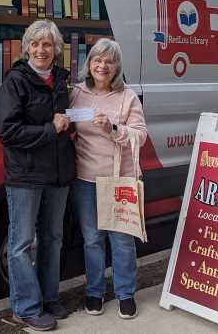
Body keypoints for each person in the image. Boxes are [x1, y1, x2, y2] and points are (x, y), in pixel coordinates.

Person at [0, 20, 76, 331]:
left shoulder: (60, 81)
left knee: (53, 239)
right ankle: (25, 307)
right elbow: (8, 131)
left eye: (48, 44)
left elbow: (64, 122)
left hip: (57, 174)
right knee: (23, 243)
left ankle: (49, 297)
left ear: (57, 50)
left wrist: (73, 126)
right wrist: (50, 128)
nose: (41, 50)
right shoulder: (16, 81)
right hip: (26, 175)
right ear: (27, 47)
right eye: (36, 43)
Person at [69, 38, 147, 319]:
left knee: (122, 240)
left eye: (109, 61)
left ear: (117, 67)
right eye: (97, 60)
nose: (103, 66)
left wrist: (113, 128)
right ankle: (95, 291)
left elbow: (141, 135)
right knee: (92, 239)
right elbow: (70, 126)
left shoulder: (127, 96)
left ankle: (125, 293)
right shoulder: (76, 92)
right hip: (85, 177)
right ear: (89, 64)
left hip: (119, 178)